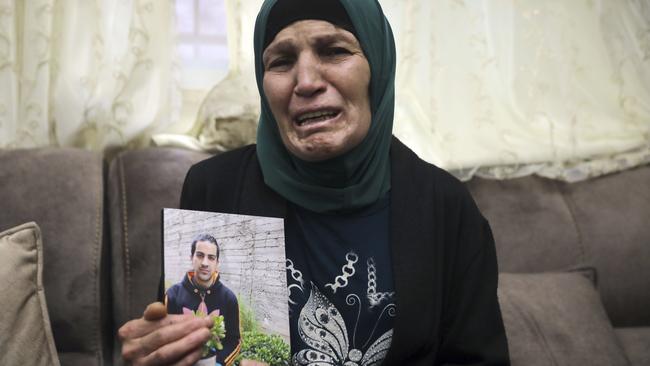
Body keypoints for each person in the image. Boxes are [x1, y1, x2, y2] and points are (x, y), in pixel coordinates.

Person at [119, 0, 510, 365]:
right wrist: (165, 352)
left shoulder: (446, 207)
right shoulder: (215, 189)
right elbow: (190, 345)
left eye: (334, 51)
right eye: (282, 61)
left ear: (378, 65)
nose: (305, 81)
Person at [164, 234, 241, 366]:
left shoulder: (229, 299)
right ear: (191, 258)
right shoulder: (172, 296)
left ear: (217, 263)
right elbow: (163, 338)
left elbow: (234, 341)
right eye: (200, 255)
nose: (205, 263)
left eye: (211, 258)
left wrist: (218, 363)